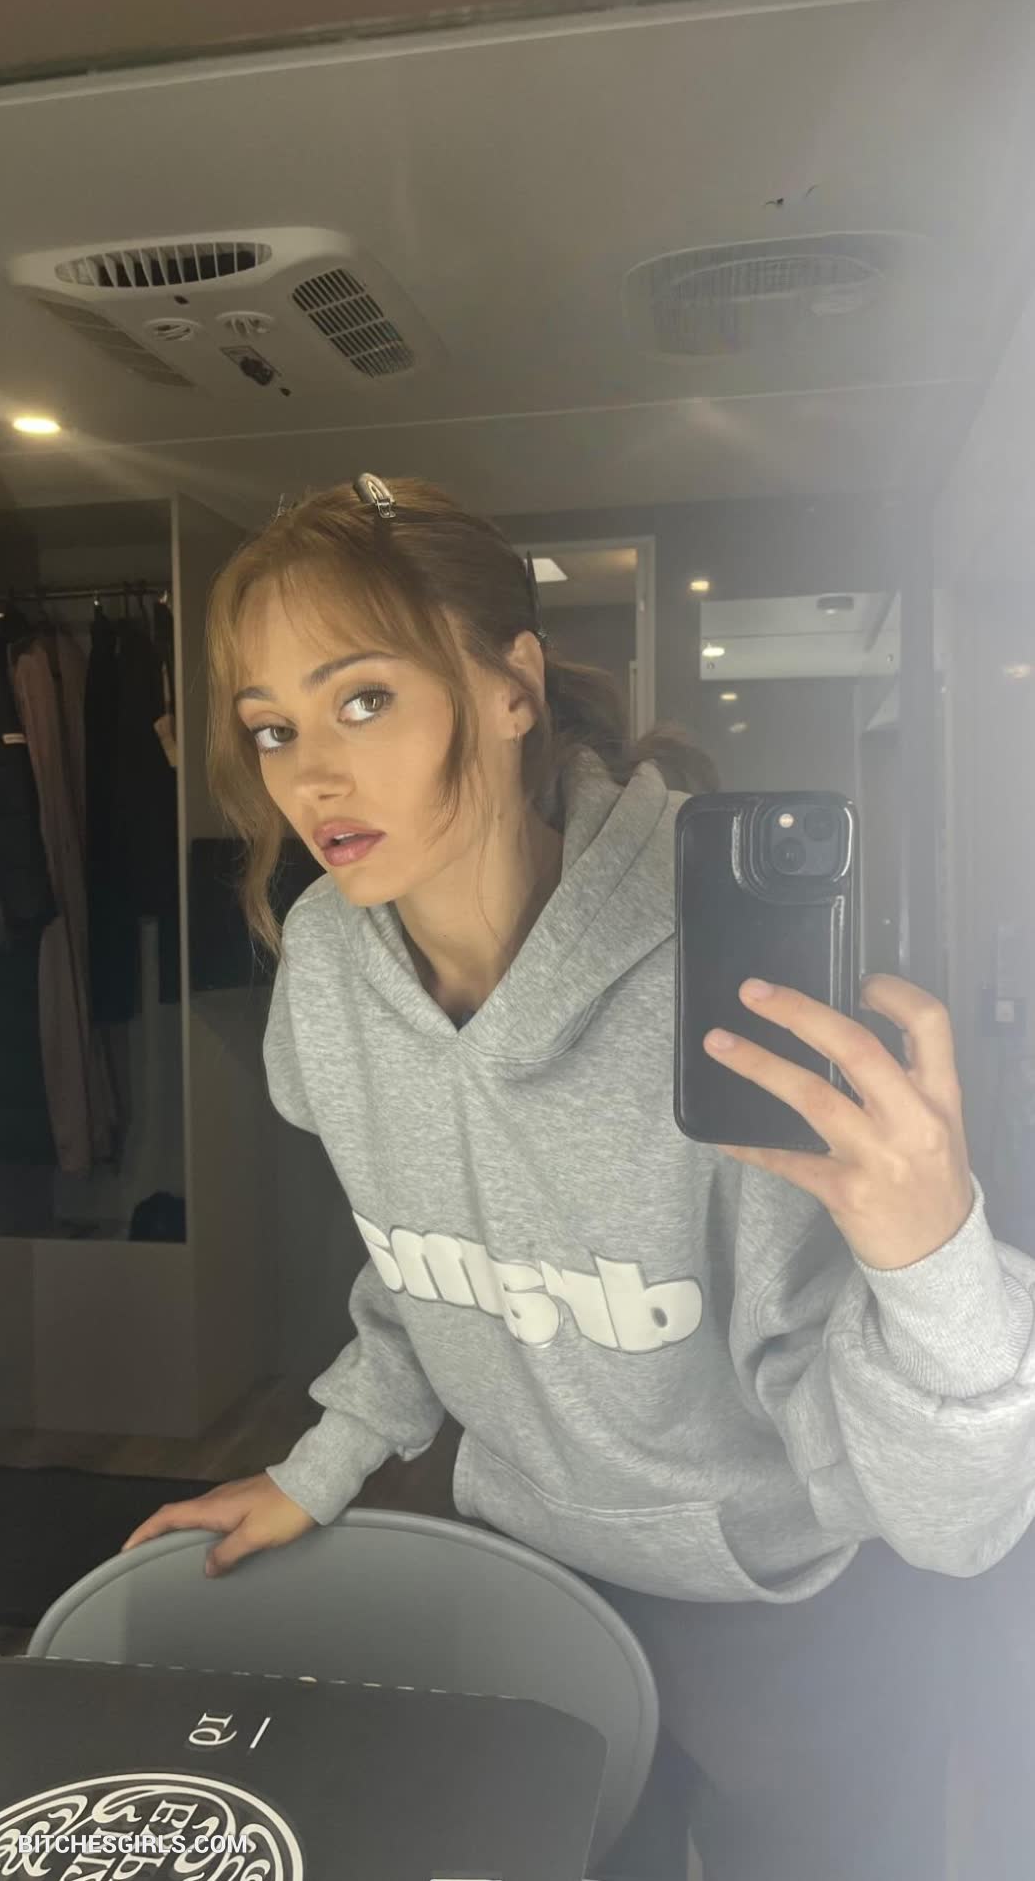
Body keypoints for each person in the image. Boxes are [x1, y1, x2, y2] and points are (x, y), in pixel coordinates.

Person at [121, 475, 1035, 1881]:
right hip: (527, 1582)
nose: (310, 776)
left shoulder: (721, 994)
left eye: (363, 698)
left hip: (784, 1611)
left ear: (512, 688)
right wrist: (323, 1464)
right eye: (273, 726)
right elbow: (423, 1263)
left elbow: (954, 1523)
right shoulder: (329, 974)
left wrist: (930, 1257)